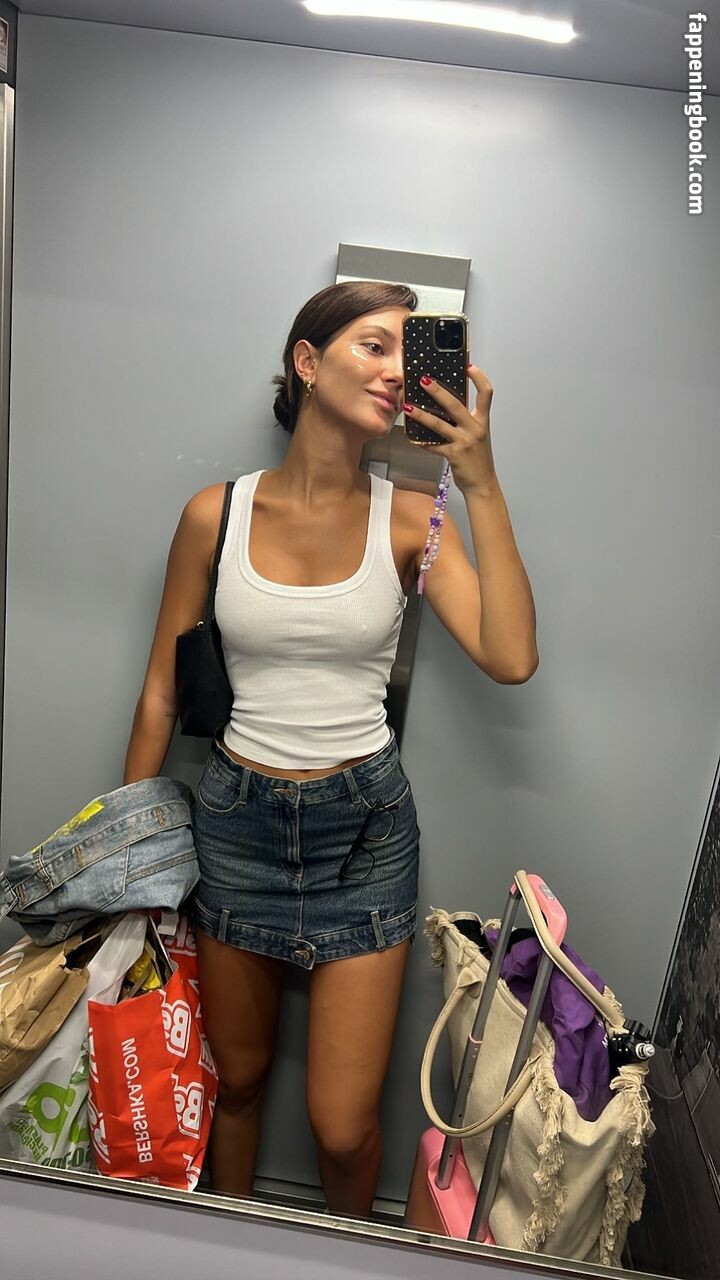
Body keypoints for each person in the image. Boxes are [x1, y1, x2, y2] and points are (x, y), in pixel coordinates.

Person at [123, 279, 538, 1217]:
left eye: (407, 353)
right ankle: (226, 1250)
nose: (396, 373)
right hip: (235, 825)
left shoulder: (413, 515)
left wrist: (478, 479)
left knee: (343, 1128)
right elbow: (159, 694)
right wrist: (130, 868)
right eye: (373, 346)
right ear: (307, 363)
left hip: (364, 836)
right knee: (236, 1084)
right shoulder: (215, 514)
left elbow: (511, 657)